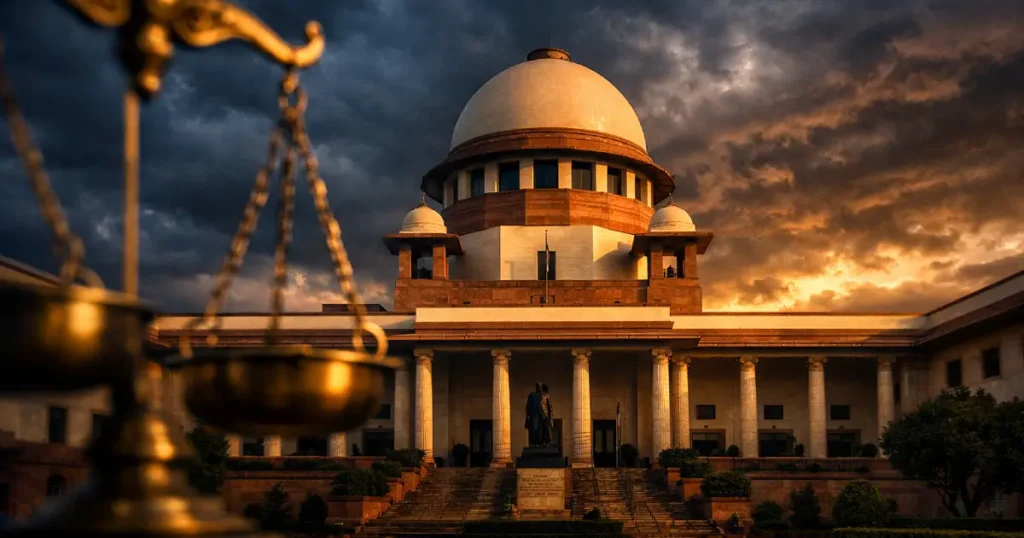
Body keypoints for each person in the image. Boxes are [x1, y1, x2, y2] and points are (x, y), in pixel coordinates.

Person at [525, 382, 544, 447]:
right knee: (533, 429)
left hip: (542, 415)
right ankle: (533, 443)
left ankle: (541, 443)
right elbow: (528, 405)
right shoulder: (532, 395)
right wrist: (528, 414)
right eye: (538, 386)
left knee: (541, 429)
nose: (539, 388)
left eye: (540, 386)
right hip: (534, 415)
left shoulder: (543, 395)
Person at [540, 383, 553, 447]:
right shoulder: (541, 396)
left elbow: (549, 406)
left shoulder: (545, 396)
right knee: (542, 429)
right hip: (542, 414)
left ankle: (546, 441)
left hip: (545, 415)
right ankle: (543, 442)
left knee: (546, 429)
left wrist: (550, 415)